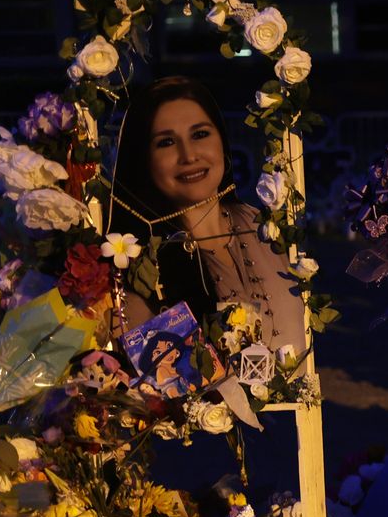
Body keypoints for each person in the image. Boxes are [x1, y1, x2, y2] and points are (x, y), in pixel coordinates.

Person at [111, 77, 305, 355]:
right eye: (166, 142)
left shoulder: (266, 229)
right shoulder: (140, 265)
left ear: (222, 143)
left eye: (200, 134)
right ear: (144, 161)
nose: (188, 155)